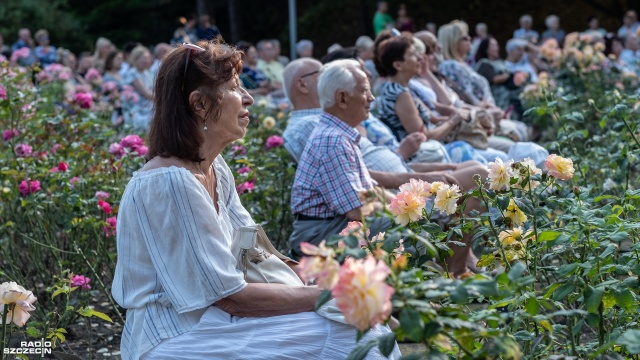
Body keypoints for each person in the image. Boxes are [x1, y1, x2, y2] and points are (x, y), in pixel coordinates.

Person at [112, 40, 400, 360]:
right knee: (357, 333)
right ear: (200, 104)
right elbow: (229, 297)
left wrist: (335, 279)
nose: (249, 98)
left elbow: (254, 254)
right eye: (236, 88)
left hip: (213, 320)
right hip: (174, 336)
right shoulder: (171, 181)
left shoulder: (215, 168)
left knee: (364, 326)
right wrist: (334, 294)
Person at [475, 36, 525, 116]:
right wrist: (510, 76)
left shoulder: (500, 62)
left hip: (512, 97)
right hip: (498, 100)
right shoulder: (483, 64)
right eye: (494, 45)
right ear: (486, 48)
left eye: (497, 45)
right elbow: (494, 79)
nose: (497, 48)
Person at [122, 46, 154, 130]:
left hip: (148, 105)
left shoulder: (147, 72)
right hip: (139, 108)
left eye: (148, 58)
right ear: (136, 59)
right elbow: (147, 94)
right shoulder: (133, 73)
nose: (147, 61)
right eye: (144, 58)